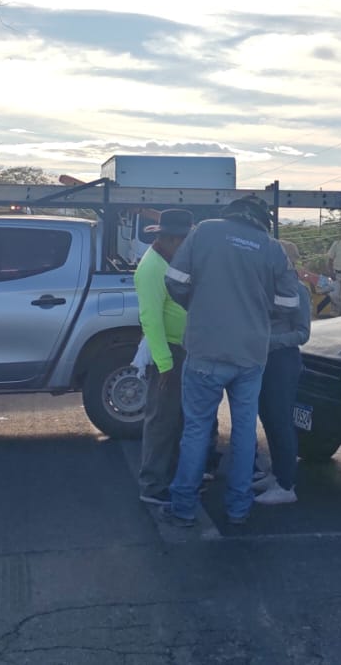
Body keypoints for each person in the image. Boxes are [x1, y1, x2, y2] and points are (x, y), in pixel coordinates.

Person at [159, 195, 304, 528]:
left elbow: (174, 280)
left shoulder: (204, 231)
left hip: (205, 348)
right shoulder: (272, 248)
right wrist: (258, 312)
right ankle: (239, 509)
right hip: (250, 354)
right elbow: (289, 302)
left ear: (231, 213)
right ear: (261, 220)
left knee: (196, 429)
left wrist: (199, 306)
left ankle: (183, 508)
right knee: (244, 432)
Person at [136, 209, 192, 506]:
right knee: (161, 421)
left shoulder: (169, 261)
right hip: (168, 352)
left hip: (179, 349)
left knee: (175, 420)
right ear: (171, 239)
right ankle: (153, 485)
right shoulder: (151, 267)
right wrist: (164, 363)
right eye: (184, 240)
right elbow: (151, 319)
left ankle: (169, 479)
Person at [253, 242, 313, 506]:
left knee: (281, 420)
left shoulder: (298, 290)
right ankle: (276, 474)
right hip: (263, 360)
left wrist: (271, 341)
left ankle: (286, 484)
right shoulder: (266, 287)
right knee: (267, 416)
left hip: (282, 361)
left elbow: (303, 333)